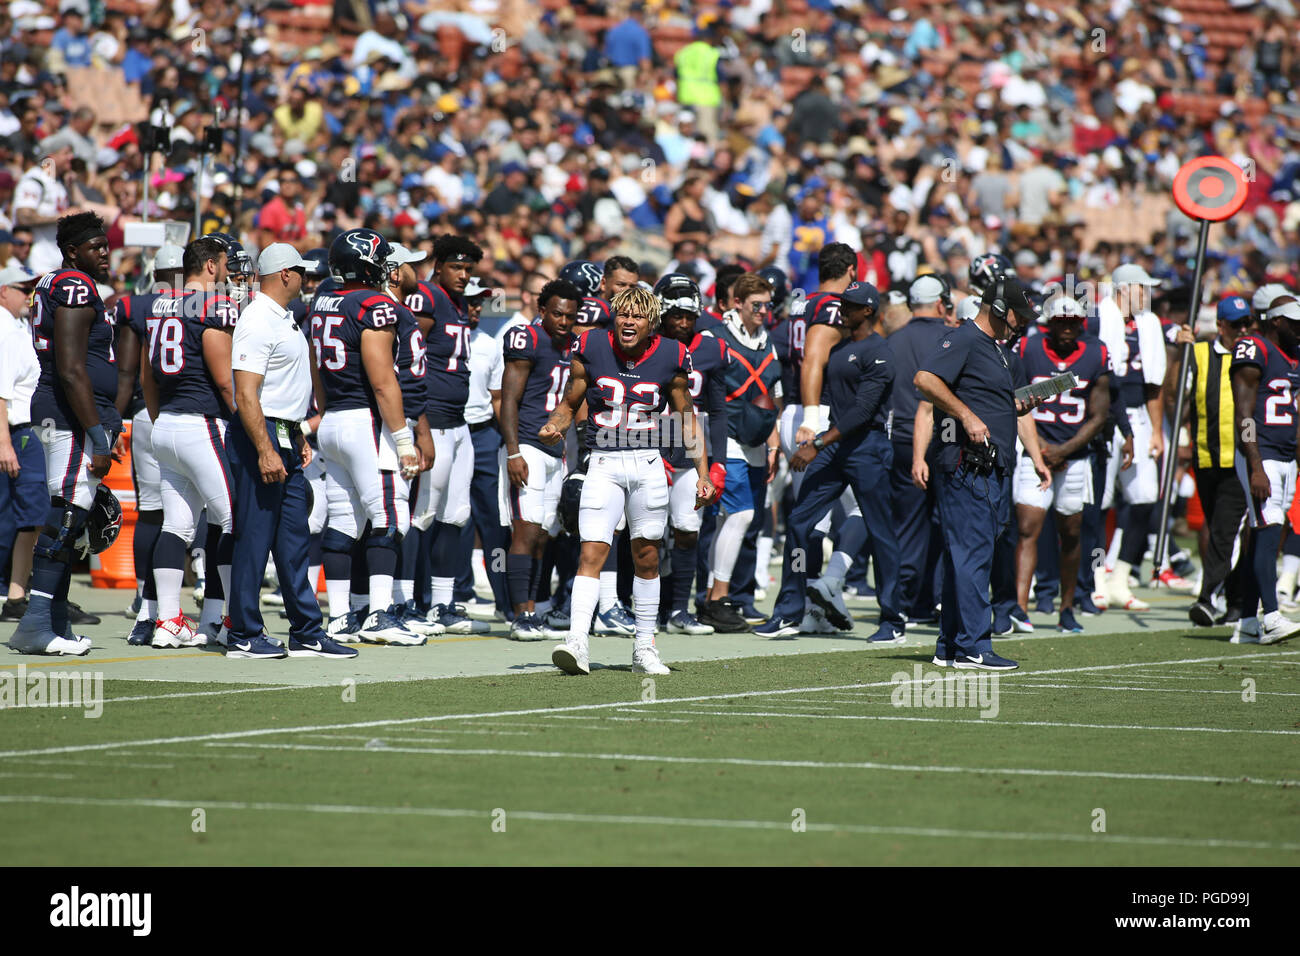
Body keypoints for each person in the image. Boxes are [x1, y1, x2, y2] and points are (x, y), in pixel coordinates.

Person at [543, 286, 715, 675]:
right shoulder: (591, 345)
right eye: (623, 314)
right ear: (614, 316)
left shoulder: (672, 353)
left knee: (647, 556)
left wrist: (703, 473)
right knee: (592, 551)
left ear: (651, 321)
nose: (629, 321)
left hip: (648, 464)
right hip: (603, 462)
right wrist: (555, 424)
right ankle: (577, 641)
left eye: (638, 315)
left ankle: (643, 647)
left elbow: (687, 417)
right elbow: (571, 402)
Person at [914, 275, 1049, 671]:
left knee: (966, 556)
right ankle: (974, 645)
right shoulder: (965, 339)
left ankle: (951, 645)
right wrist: (967, 416)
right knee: (973, 554)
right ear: (1003, 310)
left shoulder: (998, 349)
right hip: (966, 465)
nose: (1024, 322)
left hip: (991, 465)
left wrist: (1014, 407)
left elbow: (988, 398)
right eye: (1020, 315)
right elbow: (924, 379)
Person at [226, 244, 355, 659]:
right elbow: (246, 394)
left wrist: (295, 436)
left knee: (294, 538)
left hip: (282, 433)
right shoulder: (258, 318)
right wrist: (265, 448)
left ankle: (306, 629)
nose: (305, 279)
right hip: (259, 435)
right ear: (285, 274)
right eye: (301, 272)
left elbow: (283, 390)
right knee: (254, 538)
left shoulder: (282, 317)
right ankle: (243, 632)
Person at [761, 281, 904, 643]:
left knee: (882, 532)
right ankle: (789, 610)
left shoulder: (881, 352)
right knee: (798, 522)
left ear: (868, 311)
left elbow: (862, 412)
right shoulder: (841, 348)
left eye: (850, 305)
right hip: (837, 446)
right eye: (843, 301)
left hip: (867, 447)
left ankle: (892, 620)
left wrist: (818, 440)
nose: (842, 308)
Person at [10, 213, 120, 655]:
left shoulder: (55, 283)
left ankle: (52, 620)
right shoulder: (75, 285)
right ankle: (36, 623)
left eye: (106, 245)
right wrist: (96, 431)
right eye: (96, 247)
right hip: (68, 410)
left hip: (59, 407)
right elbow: (73, 369)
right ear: (73, 251)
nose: (105, 254)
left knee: (69, 511)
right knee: (69, 513)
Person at [310, 227, 423, 645]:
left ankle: (340, 616)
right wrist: (403, 440)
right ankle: (378, 614)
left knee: (342, 521)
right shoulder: (374, 305)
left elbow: (314, 365)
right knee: (390, 518)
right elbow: (382, 381)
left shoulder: (325, 300)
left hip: (335, 419)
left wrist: (325, 412)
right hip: (366, 423)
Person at [139, 236, 240, 648]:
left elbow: (148, 375)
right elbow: (224, 379)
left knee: (176, 526)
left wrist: (161, 416)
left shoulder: (161, 303)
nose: (231, 274)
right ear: (212, 266)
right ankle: (236, 619)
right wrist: (250, 424)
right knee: (235, 520)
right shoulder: (215, 306)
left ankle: (166, 621)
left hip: (165, 425)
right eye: (226, 266)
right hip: (202, 423)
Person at [1012, 296, 1111, 634]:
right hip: (1034, 453)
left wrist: (1064, 450)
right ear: (1049, 322)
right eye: (1061, 320)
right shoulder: (1028, 347)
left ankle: (1066, 607)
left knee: (1070, 534)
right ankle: (1019, 608)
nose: (1068, 326)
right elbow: (1016, 401)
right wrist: (1041, 448)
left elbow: (1099, 416)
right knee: (1028, 528)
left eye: (1073, 320)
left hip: (1075, 458)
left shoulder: (1096, 353)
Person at [404, 234, 486, 633]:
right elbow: (407, 350)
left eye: (469, 269)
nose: (463, 275)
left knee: (455, 515)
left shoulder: (455, 304)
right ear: (438, 266)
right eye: (457, 266)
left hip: (458, 423)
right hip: (431, 421)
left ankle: (441, 603)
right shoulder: (428, 296)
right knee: (421, 515)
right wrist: (416, 422)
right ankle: (405, 603)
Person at [498, 278, 580, 639]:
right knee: (525, 530)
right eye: (558, 314)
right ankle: (520, 616)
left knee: (544, 534)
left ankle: (532, 609)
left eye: (570, 316)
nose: (564, 321)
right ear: (542, 310)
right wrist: (514, 451)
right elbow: (509, 401)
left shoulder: (574, 346)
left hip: (554, 450)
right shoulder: (526, 338)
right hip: (528, 445)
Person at [112, 243, 184, 645]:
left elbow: (127, 374)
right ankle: (204, 595)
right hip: (189, 416)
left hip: (146, 415)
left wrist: (112, 424)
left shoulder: (137, 306)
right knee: (195, 513)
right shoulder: (199, 303)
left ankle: (146, 598)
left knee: (153, 512)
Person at [703, 272, 781, 629]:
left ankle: (711, 596)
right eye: (757, 305)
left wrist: (774, 440)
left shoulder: (768, 341)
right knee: (740, 516)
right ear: (737, 303)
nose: (764, 311)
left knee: (734, 519)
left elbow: (775, 394)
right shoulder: (714, 336)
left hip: (756, 440)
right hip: (722, 436)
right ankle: (718, 597)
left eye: (768, 305)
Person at [654, 272, 728, 634]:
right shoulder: (646, 343)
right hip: (648, 446)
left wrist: (720, 463)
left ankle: (679, 610)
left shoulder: (711, 349)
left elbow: (718, 410)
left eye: (689, 316)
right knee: (646, 532)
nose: (683, 323)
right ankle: (636, 606)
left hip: (689, 450)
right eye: (676, 316)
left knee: (687, 529)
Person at [1228, 293, 1300, 646]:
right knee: (1268, 531)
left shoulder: (1293, 355)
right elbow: (1244, 414)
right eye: (1295, 323)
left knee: (1264, 535)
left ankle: (1247, 621)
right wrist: (1256, 465)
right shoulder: (1254, 348)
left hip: (1286, 455)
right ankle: (1270, 617)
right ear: (1277, 321)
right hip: (1262, 454)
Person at [1096, 264, 1166, 610]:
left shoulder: (1147, 325)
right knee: (1099, 500)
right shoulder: (1103, 318)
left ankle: (1120, 578)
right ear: (1125, 289)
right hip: (1108, 417)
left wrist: (1156, 430)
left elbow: (1154, 384)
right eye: (1143, 288)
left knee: (1145, 496)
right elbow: (1106, 379)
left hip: (1139, 417)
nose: (1147, 295)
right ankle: (1094, 578)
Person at [1185, 296, 1252, 627]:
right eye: (1236, 324)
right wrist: (1177, 350)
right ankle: (1237, 601)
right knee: (1216, 528)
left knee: (1226, 530)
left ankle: (1207, 597)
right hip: (1206, 455)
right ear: (1221, 326)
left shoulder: (1255, 353)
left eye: (1246, 323)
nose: (1242, 330)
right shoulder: (1198, 354)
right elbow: (1176, 396)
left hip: (1240, 458)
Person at [0, 264, 43, 627]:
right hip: (15, 431)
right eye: (22, 288)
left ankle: (16, 592)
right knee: (24, 514)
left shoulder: (15, 327)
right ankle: (12, 592)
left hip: (18, 431)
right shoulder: (5, 329)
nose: (29, 294)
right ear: (3, 291)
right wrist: (4, 443)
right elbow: (0, 390)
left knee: (23, 516)